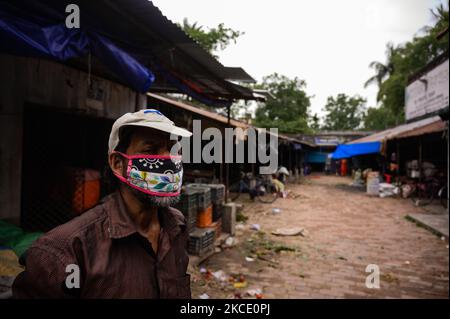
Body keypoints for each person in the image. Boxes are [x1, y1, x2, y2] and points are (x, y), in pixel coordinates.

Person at [12, 109, 193, 298]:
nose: (169, 160)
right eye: (150, 150)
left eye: (173, 150)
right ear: (117, 164)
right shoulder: (66, 251)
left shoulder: (176, 226)